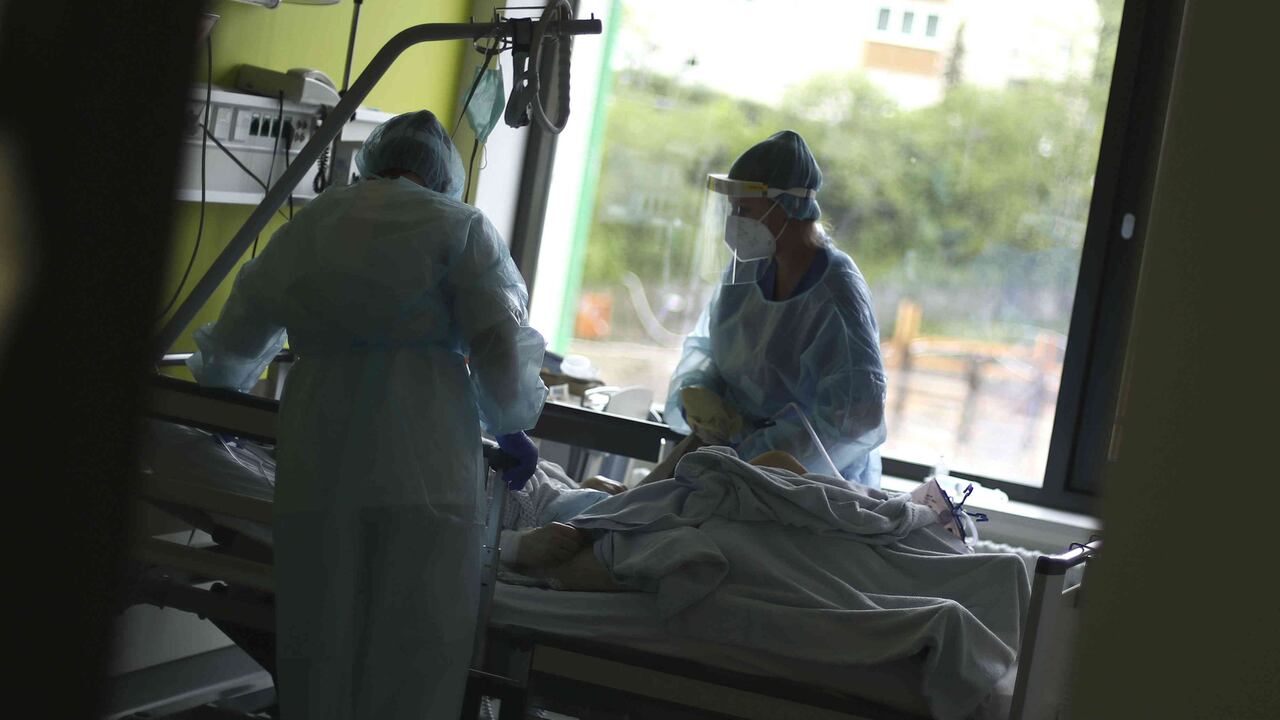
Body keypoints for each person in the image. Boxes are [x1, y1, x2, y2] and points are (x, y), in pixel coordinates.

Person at [185, 110, 548, 720]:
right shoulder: (459, 228)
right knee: (416, 647)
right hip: (427, 469)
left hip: (320, 458)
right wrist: (510, 425)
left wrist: (221, 400)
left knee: (319, 636)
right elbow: (500, 349)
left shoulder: (309, 228)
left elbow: (234, 343)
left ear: (370, 161)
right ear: (443, 175)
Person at [664, 130, 888, 488]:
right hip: (732, 464)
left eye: (744, 210)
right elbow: (711, 346)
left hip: (807, 483)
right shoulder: (748, 269)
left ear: (786, 206)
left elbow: (853, 419)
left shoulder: (836, 293)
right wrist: (700, 392)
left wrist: (761, 454)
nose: (734, 222)